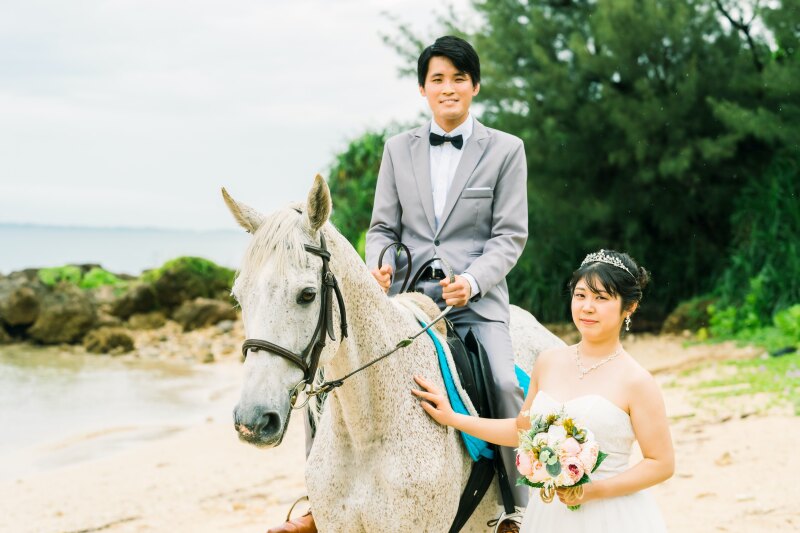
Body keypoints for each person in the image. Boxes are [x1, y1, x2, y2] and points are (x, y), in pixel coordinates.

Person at [365, 35, 529, 531]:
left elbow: (510, 235)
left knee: (502, 381)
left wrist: (474, 282)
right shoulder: (397, 149)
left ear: (475, 85)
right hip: (406, 301)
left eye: (459, 78)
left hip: (477, 302)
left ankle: (516, 504)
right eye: (438, 79)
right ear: (423, 89)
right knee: (338, 377)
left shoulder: (506, 150)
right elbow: (381, 229)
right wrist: (379, 265)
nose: (449, 87)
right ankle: (315, 500)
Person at [412, 250, 674, 532]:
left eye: (602, 298)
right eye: (581, 295)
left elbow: (661, 463)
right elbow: (521, 430)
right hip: (549, 514)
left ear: (629, 307)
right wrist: (453, 418)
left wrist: (595, 491)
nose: (587, 307)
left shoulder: (637, 381)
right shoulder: (549, 361)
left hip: (611, 515)